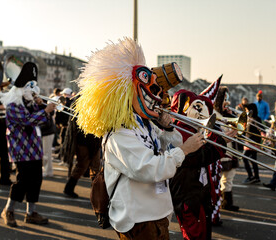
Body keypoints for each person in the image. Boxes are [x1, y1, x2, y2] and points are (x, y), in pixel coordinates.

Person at [74, 37, 204, 239]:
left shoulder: (145, 125)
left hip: (157, 212)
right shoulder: (120, 134)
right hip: (137, 218)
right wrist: (184, 150)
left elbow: (170, 144)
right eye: (151, 89)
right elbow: (148, 168)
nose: (158, 96)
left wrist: (166, 127)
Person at [169, 89, 232, 240]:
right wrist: (221, 143)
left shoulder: (193, 129)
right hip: (187, 196)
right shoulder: (178, 131)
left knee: (203, 233)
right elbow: (197, 158)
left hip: (199, 193)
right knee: (195, 235)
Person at [0, 62, 55, 227]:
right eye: (30, 87)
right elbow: (28, 120)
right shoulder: (13, 107)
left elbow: (43, 121)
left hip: (35, 150)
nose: (33, 90)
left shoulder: (30, 105)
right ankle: (8, 210)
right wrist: (44, 111)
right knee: (22, 181)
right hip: (21, 150)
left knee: (36, 181)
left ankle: (31, 213)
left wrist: (42, 106)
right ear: (21, 89)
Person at [62, 111, 101, 198]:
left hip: (94, 140)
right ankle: (69, 189)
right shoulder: (83, 104)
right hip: (84, 140)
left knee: (96, 167)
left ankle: (96, 194)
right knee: (82, 166)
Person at [214, 86, 240, 212]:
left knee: (229, 179)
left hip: (231, 152)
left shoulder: (228, 115)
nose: (227, 103)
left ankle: (227, 202)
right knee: (217, 180)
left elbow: (238, 132)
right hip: (221, 153)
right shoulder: (215, 115)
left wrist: (232, 117)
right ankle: (217, 205)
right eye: (224, 100)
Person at [242, 103, 262, 184]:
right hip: (249, 141)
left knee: (244, 158)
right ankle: (256, 177)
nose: (246, 111)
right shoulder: (249, 118)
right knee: (253, 160)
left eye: (247, 110)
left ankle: (251, 176)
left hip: (253, 142)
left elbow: (260, 129)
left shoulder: (255, 119)